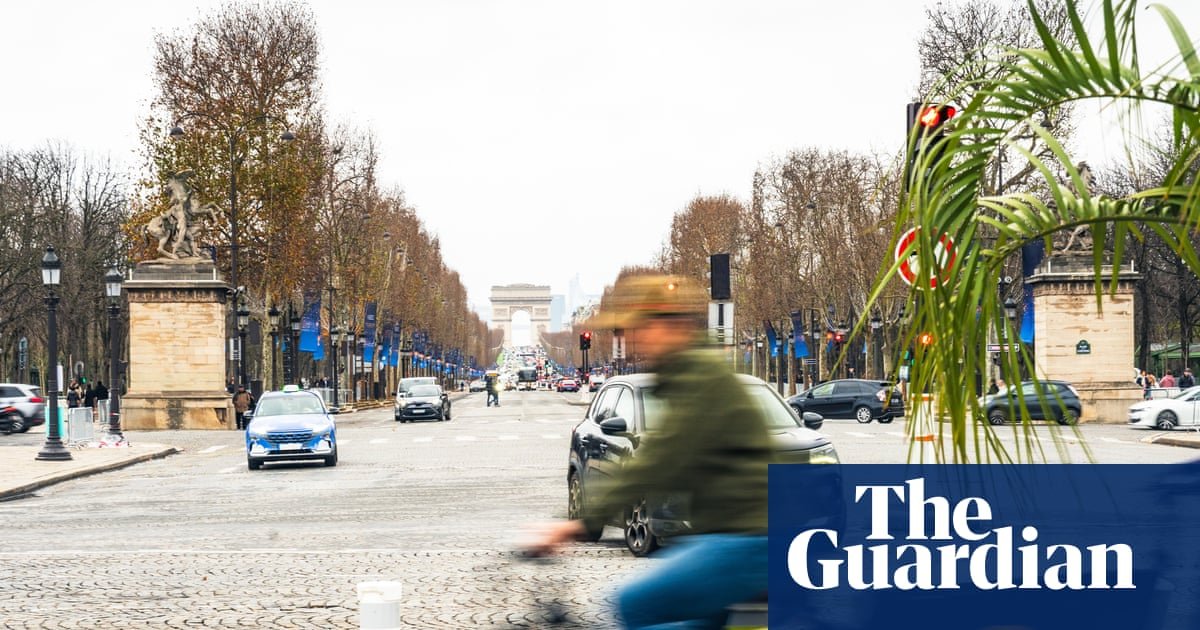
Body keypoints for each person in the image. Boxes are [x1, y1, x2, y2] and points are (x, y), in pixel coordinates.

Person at [527, 275, 772, 628]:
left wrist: (579, 524)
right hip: (735, 537)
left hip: (746, 542)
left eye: (639, 328)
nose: (632, 339)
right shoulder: (684, 377)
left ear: (669, 327)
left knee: (633, 603)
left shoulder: (701, 381)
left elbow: (657, 462)